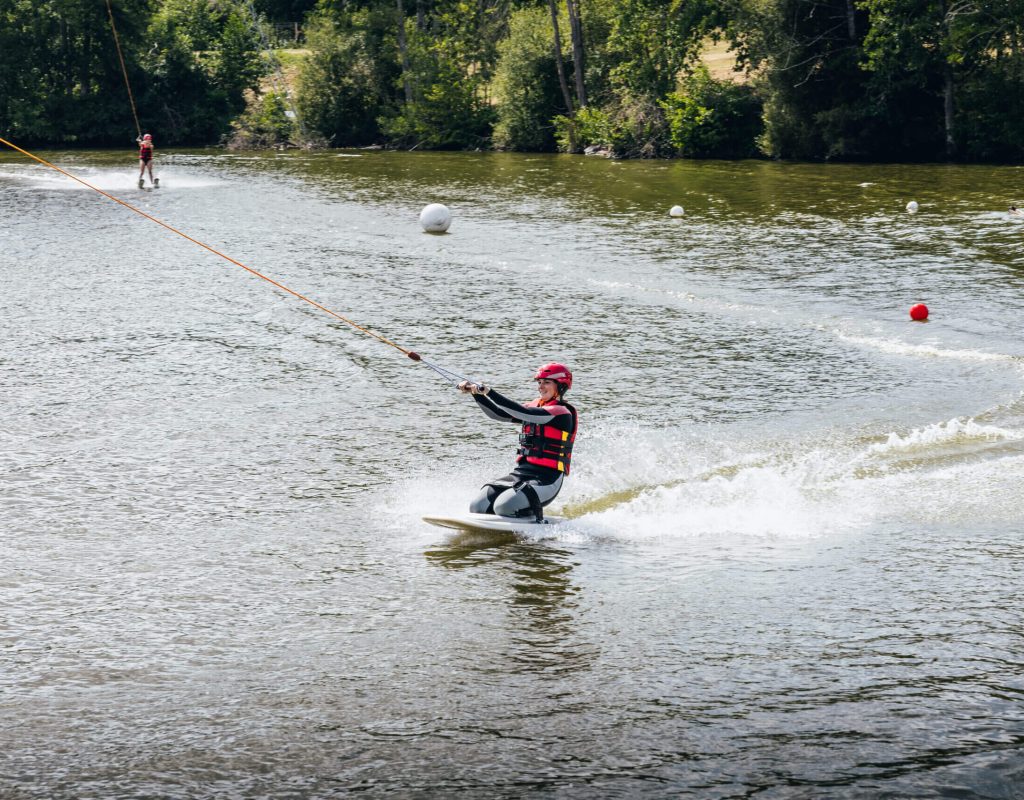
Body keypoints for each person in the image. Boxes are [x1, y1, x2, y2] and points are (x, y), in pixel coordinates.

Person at [458, 363, 578, 521]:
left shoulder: (562, 412)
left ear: (561, 386)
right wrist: (476, 393)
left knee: (503, 506)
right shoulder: (533, 407)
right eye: (539, 382)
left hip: (547, 479)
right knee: (478, 506)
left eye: (547, 382)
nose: (541, 387)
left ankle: (531, 520)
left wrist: (490, 392)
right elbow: (498, 414)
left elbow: (523, 412)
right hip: (522, 473)